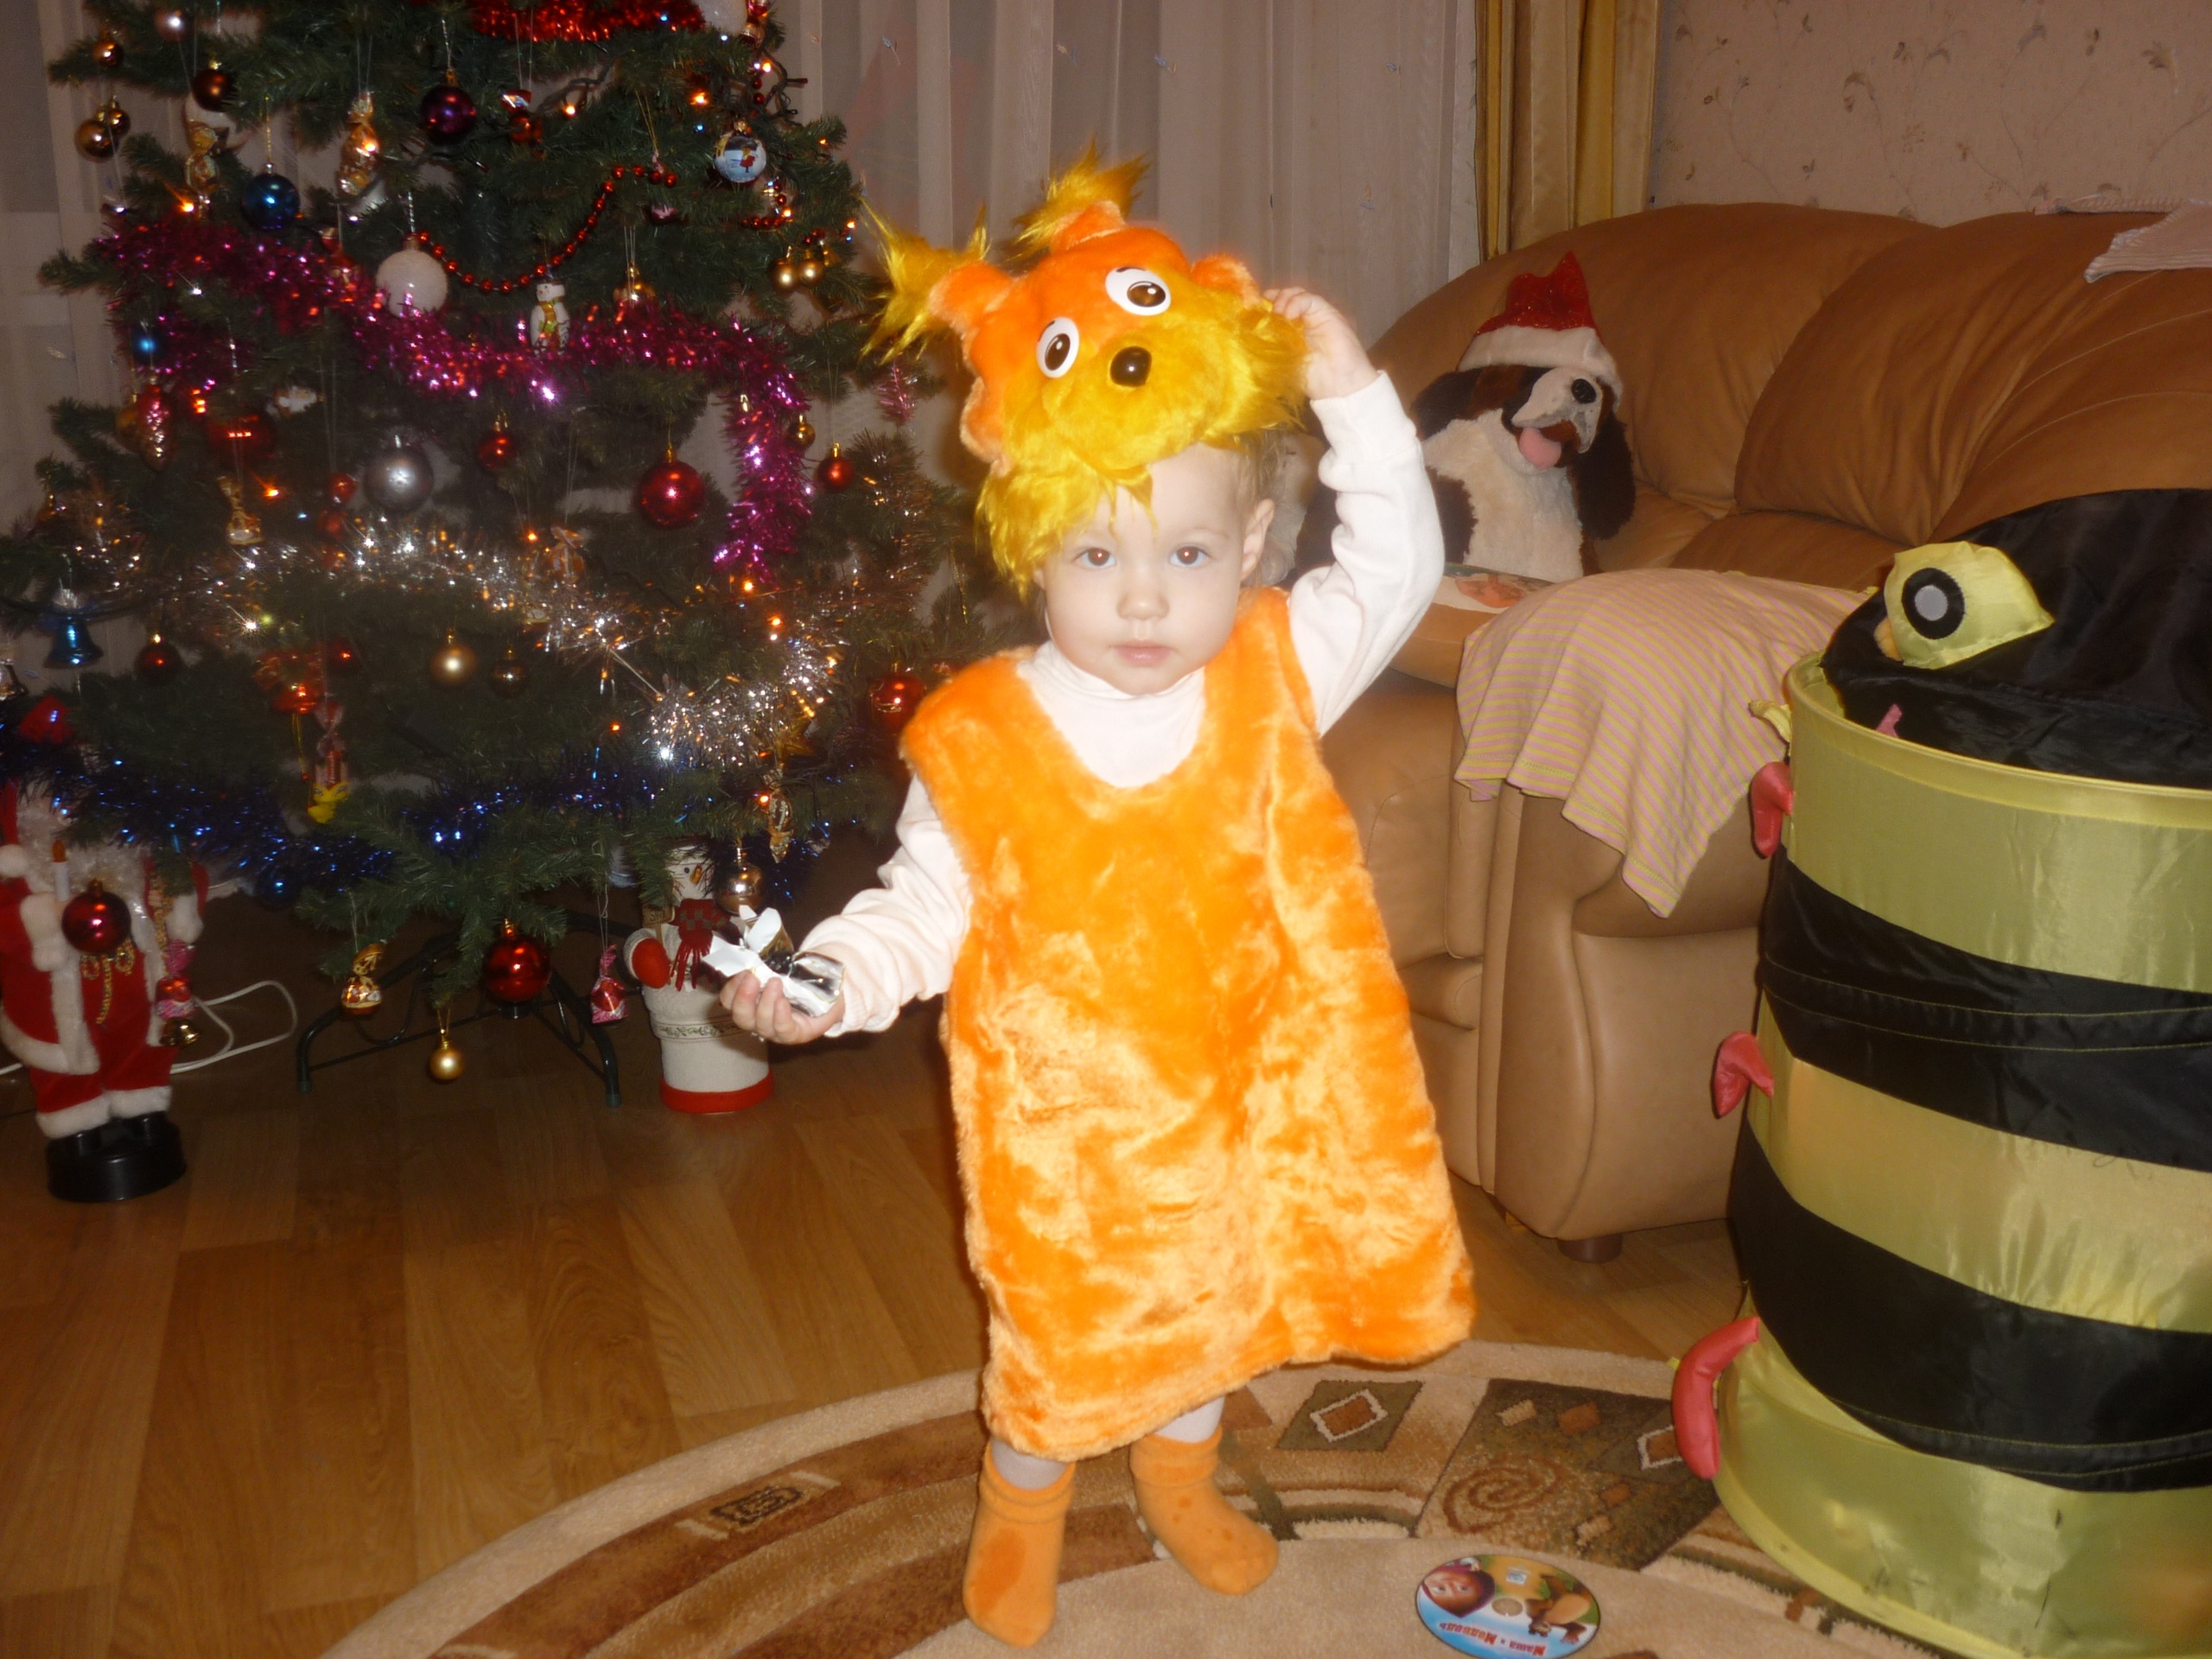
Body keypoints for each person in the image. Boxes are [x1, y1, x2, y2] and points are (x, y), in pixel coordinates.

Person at [721, 156, 1474, 1647]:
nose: (1143, 599)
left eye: (1187, 554)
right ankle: (1024, 1506)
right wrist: (828, 980)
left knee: (1213, 1314)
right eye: (1096, 554)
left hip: (1246, 1093)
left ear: (1248, 551)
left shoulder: (1274, 665)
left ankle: (1182, 1475)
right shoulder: (985, 734)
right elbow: (921, 904)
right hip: (1063, 1135)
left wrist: (1354, 396)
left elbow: (1399, 564)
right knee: (1065, 1344)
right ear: (1028, 549)